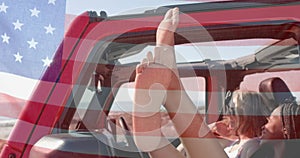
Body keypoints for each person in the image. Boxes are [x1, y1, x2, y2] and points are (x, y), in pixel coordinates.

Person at [132, 7, 228, 158]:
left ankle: (172, 96)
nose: (265, 125)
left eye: (270, 121)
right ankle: (155, 140)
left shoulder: (254, 145)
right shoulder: (242, 141)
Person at [222, 90, 268, 158]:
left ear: (248, 116)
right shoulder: (237, 142)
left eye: (233, 111)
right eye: (228, 109)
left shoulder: (252, 147)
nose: (228, 114)